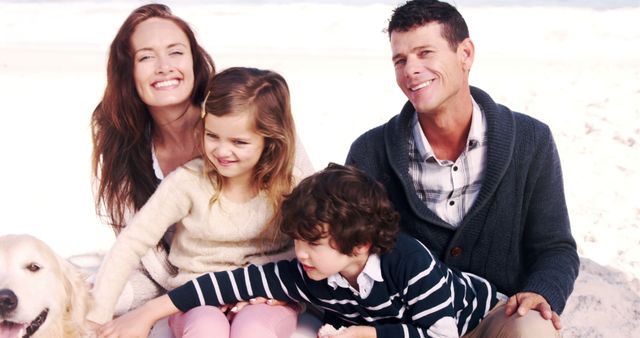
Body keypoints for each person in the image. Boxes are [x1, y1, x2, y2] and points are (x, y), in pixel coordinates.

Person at [345, 0, 579, 336]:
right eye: (400, 60)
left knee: (535, 329)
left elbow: (555, 247)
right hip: (402, 325)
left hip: (496, 311)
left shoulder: (531, 139)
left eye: (425, 53)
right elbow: (343, 248)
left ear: (465, 54)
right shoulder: (369, 151)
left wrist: (542, 292)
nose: (411, 69)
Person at [96, 163, 503, 338]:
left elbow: (442, 334)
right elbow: (226, 284)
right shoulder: (305, 273)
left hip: (475, 315)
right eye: (297, 240)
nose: (300, 252)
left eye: (313, 242)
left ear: (359, 244)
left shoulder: (408, 262)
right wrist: (147, 312)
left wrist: (368, 334)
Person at [90, 3, 313, 318]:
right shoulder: (128, 152)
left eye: (176, 52)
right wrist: (108, 309)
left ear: (195, 61)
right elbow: (142, 257)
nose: (164, 66)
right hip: (186, 288)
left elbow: (312, 216)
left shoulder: (248, 118)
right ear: (128, 72)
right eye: (145, 56)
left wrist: (287, 288)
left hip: (268, 285)